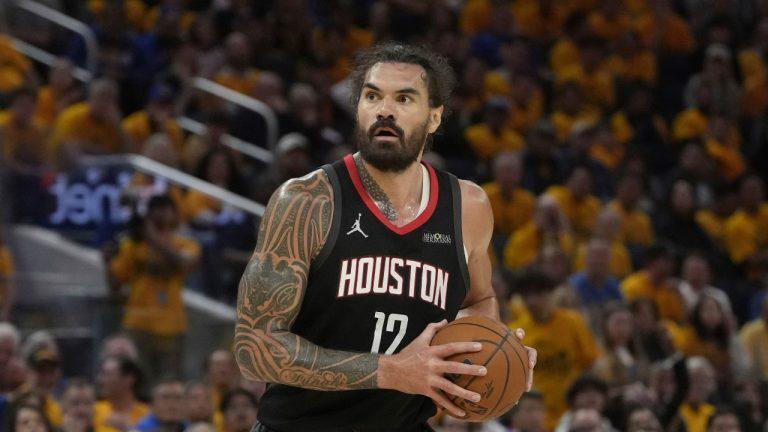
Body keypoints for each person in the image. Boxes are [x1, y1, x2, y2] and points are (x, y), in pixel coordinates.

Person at [234, 43, 536, 431]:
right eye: (373, 96)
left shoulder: (469, 206)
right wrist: (391, 371)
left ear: (434, 117)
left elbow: (479, 300)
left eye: (404, 98)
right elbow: (254, 347)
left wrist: (490, 350)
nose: (384, 110)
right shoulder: (306, 201)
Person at [107, 195, 201, 380]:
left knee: (169, 382)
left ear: (175, 214)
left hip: (171, 325)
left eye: (165, 208)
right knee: (135, 380)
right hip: (137, 324)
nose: (160, 214)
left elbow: (184, 263)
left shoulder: (185, 243)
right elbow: (115, 284)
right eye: (155, 209)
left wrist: (151, 236)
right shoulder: (133, 245)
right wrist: (107, 263)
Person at [509, 268, 598, 429]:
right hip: (535, 418)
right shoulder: (516, 331)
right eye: (526, 295)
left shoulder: (573, 322)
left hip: (572, 413)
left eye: (538, 294)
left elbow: (591, 363)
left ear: (551, 294)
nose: (532, 301)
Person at [93, 356, 149, 432]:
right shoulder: (94, 411)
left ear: (128, 379)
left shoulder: (147, 415)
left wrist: (129, 429)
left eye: (107, 375)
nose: (100, 380)